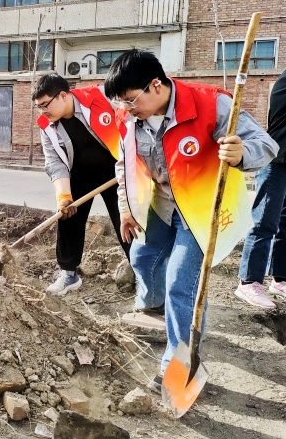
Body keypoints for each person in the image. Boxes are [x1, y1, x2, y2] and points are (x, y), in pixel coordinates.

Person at [104, 48, 278, 391]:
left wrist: (242, 153)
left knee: (181, 284)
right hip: (162, 202)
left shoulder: (211, 105)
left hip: (200, 210)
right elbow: (124, 166)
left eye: (129, 100)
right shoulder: (131, 120)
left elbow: (266, 144)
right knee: (142, 256)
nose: (125, 109)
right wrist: (125, 209)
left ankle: (180, 362)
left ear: (156, 86)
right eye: (121, 103)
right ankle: (155, 310)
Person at [32, 74, 130, 295]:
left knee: (128, 217)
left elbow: (131, 123)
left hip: (116, 169)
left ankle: (142, 270)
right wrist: (63, 196)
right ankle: (68, 274)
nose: (43, 111)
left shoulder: (101, 97)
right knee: (68, 217)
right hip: (78, 174)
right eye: (38, 107)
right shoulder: (46, 126)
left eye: (45, 105)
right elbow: (55, 163)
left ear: (63, 95)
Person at [236, 69, 286, 308]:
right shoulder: (283, 83)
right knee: (264, 221)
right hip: (275, 161)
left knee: (284, 222)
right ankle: (248, 282)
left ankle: (280, 279)